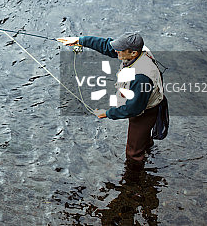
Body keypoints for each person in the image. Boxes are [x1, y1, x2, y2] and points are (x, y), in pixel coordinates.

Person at [57, 32, 164, 166]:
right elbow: (107, 46)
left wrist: (107, 113)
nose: (116, 51)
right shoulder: (138, 50)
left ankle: (134, 174)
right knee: (143, 137)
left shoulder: (140, 77)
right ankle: (148, 148)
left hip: (145, 111)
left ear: (133, 53)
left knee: (133, 153)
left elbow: (133, 109)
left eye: (120, 49)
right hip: (144, 100)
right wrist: (80, 40)